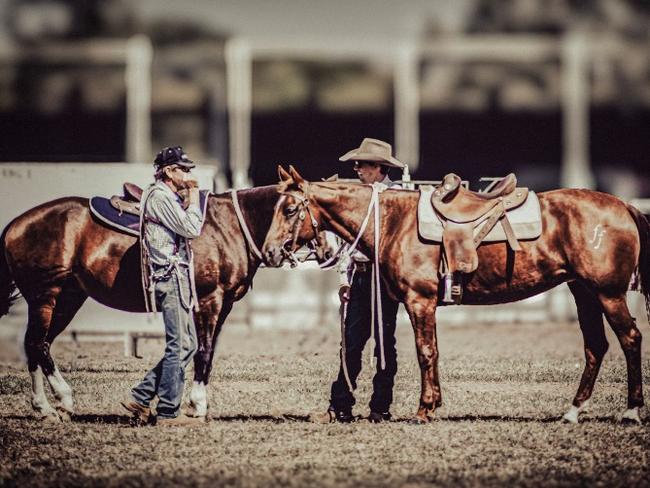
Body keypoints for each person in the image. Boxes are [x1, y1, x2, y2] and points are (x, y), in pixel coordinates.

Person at [314, 138, 405, 423]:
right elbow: (346, 246)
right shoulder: (357, 198)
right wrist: (344, 280)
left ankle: (381, 406)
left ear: (378, 168)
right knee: (351, 344)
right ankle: (340, 404)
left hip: (385, 279)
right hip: (360, 278)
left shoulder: (397, 197)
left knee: (384, 344)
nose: (356, 169)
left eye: (361, 165)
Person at [121, 146, 204, 426]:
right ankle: (169, 412)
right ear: (169, 171)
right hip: (171, 278)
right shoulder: (160, 197)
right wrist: (194, 199)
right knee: (178, 345)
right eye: (184, 169)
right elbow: (191, 229)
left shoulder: (164, 195)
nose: (189, 174)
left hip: (175, 278)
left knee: (189, 344)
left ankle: (142, 395)